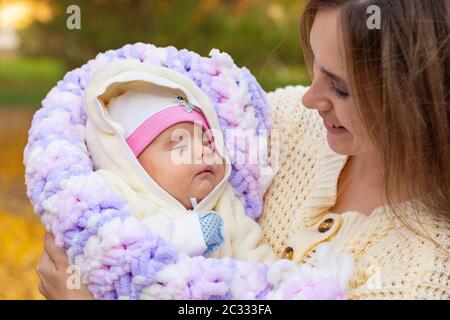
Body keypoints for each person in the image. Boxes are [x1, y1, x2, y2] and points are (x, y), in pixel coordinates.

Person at [37, 0, 449, 299]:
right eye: (315, 68)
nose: (311, 98)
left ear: (416, 101)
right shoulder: (280, 124)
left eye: (340, 88)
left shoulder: (425, 273)